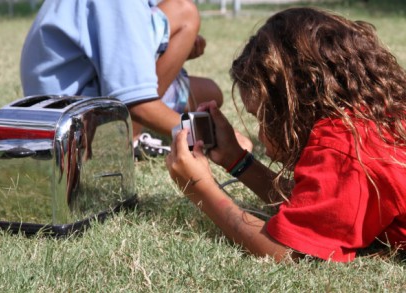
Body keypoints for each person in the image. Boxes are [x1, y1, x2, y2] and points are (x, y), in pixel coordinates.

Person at [166, 7, 406, 262]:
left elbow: (288, 251)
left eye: (261, 118)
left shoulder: (344, 146)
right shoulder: (369, 118)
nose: (259, 132)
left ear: (294, 108)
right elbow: (318, 207)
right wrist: (236, 160)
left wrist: (201, 188)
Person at [20, 0, 223, 159]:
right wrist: (208, 135)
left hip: (80, 91)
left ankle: (128, 133)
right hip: (73, 120)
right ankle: (125, 138)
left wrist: (178, 48)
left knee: (209, 92)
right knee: (184, 12)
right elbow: (136, 104)